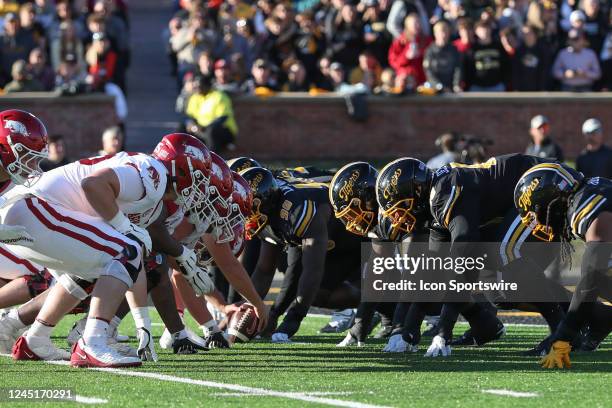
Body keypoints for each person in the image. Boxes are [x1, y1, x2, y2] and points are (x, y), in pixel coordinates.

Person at [240, 167, 363, 343]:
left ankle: (388, 310)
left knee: (371, 288)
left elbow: (311, 269)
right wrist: (247, 308)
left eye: (246, 205)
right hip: (331, 238)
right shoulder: (269, 209)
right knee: (318, 293)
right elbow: (265, 269)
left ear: (262, 201)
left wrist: (292, 320)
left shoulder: (296, 210)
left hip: (356, 234)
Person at [514, 166, 612, 368]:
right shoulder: (592, 189)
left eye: (536, 212)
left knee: (594, 277)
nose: (539, 223)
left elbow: (590, 280)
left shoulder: (588, 206)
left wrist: (562, 337)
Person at [185, 75, 238, 154]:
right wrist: (192, 125)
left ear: (207, 85)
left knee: (211, 131)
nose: (197, 88)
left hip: (224, 130)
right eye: (196, 86)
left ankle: (210, 159)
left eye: (200, 86)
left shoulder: (219, 96)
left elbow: (223, 118)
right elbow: (189, 116)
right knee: (182, 128)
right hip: (200, 129)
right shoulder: (195, 97)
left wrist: (204, 128)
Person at [463, 20, 509, 91]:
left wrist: (504, 83)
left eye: (487, 28)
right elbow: (468, 69)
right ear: (476, 31)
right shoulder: (472, 49)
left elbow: (506, 65)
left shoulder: (498, 47)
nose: (485, 31)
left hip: (496, 86)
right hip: (477, 87)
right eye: (481, 29)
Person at [388, 13, 431, 88]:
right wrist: (406, 56)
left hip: (422, 77)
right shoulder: (400, 41)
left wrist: (421, 54)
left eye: (418, 23)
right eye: (414, 24)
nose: (417, 26)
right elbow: (394, 62)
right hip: (404, 76)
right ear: (407, 26)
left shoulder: (426, 41)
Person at [423, 19, 461, 92]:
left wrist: (456, 85)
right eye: (441, 32)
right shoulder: (429, 51)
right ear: (435, 33)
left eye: (446, 32)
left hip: (451, 88)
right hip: (435, 88)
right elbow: (428, 72)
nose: (443, 35)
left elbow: (458, 69)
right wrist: (439, 86)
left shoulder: (454, 50)